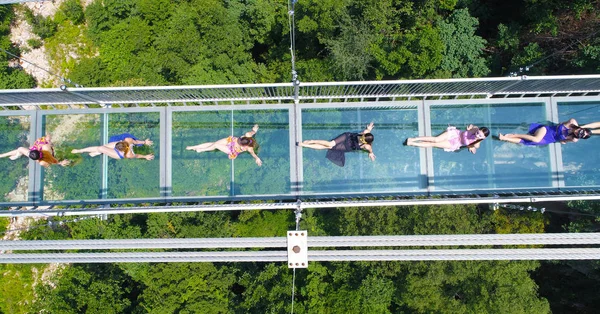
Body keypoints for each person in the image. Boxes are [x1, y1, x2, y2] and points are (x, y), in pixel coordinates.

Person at [300, 122, 376, 167]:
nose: (361, 138)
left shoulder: (366, 146)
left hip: (347, 146)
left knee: (328, 147)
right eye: (362, 136)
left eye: (363, 140)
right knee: (330, 144)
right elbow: (368, 130)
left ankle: (306, 145)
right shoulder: (365, 132)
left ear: (366, 142)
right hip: (347, 137)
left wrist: (371, 153)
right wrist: (369, 128)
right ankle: (312, 141)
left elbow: (370, 150)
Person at [186, 124, 262, 166]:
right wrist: (254, 130)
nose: (240, 143)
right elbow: (252, 132)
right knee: (213, 143)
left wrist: (257, 158)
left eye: (242, 145)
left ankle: (202, 149)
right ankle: (194, 147)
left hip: (232, 150)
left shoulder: (249, 148)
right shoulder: (247, 135)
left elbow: (253, 154)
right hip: (231, 141)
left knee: (215, 145)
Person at [499, 118, 591, 145]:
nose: (578, 133)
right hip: (547, 130)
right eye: (581, 132)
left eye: (580, 135)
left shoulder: (574, 139)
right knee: (536, 139)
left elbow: (562, 141)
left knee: (527, 142)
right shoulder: (572, 122)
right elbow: (560, 123)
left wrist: (563, 140)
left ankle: (505, 138)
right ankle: (514, 135)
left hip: (549, 139)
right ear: (582, 128)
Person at [406, 124, 489, 154]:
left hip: (455, 143)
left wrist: (471, 147)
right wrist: (470, 127)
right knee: (436, 139)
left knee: (433, 144)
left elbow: (470, 145)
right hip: (455, 134)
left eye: (480, 136)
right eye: (478, 133)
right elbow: (472, 127)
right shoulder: (475, 129)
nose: (477, 135)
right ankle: (413, 139)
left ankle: (413, 143)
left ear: (483, 138)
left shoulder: (477, 144)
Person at [0, 134, 70, 167]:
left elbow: (52, 162)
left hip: (37, 156)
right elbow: (53, 161)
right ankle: (10, 155)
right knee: (20, 149)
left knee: (20, 149)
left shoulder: (43, 161)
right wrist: (48, 139)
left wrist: (60, 163)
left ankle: (17, 155)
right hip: (37, 155)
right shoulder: (45, 148)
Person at [71, 133, 154, 160]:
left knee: (100, 148)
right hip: (121, 146)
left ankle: (98, 152)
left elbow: (137, 155)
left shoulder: (128, 154)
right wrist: (144, 142)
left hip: (117, 154)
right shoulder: (126, 140)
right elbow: (136, 142)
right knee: (101, 147)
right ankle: (80, 150)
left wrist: (145, 156)